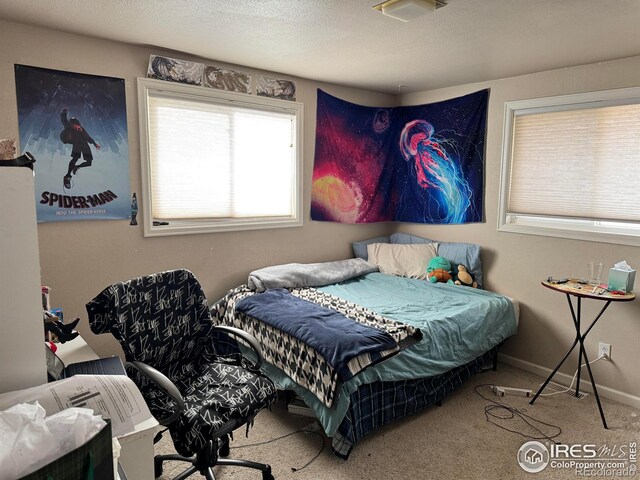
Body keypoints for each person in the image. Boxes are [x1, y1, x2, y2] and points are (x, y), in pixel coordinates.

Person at [60, 108, 101, 189]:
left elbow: (88, 137)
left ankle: (76, 167)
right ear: (72, 125)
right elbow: (64, 120)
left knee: (89, 163)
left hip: (84, 145)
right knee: (74, 159)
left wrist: (94, 144)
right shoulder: (69, 127)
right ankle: (67, 176)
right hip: (77, 145)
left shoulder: (81, 129)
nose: (77, 127)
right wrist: (64, 112)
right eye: (76, 125)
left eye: (78, 125)